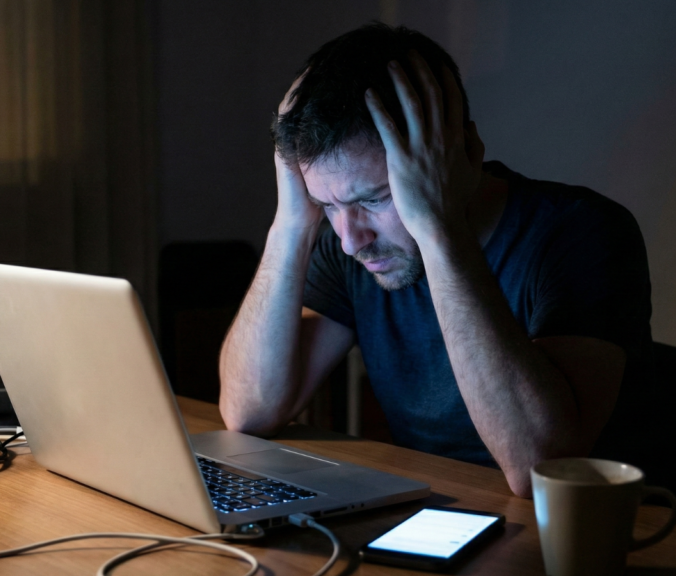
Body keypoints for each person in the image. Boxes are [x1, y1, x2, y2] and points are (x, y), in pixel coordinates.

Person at [218, 23, 652, 497]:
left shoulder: (582, 233)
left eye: (377, 198)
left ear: (463, 154)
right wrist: (292, 225)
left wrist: (438, 229)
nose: (349, 240)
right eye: (328, 205)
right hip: (435, 514)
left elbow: (539, 467)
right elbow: (247, 411)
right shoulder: (353, 241)